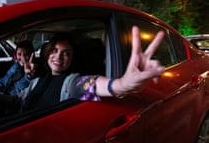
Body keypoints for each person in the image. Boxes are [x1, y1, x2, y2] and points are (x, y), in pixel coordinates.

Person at [19, 26, 165, 111]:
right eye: (55, 51)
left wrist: (122, 84)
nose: (58, 57)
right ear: (48, 51)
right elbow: (19, 100)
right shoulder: (40, 78)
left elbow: (91, 84)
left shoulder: (70, 83)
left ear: (72, 58)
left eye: (66, 53)